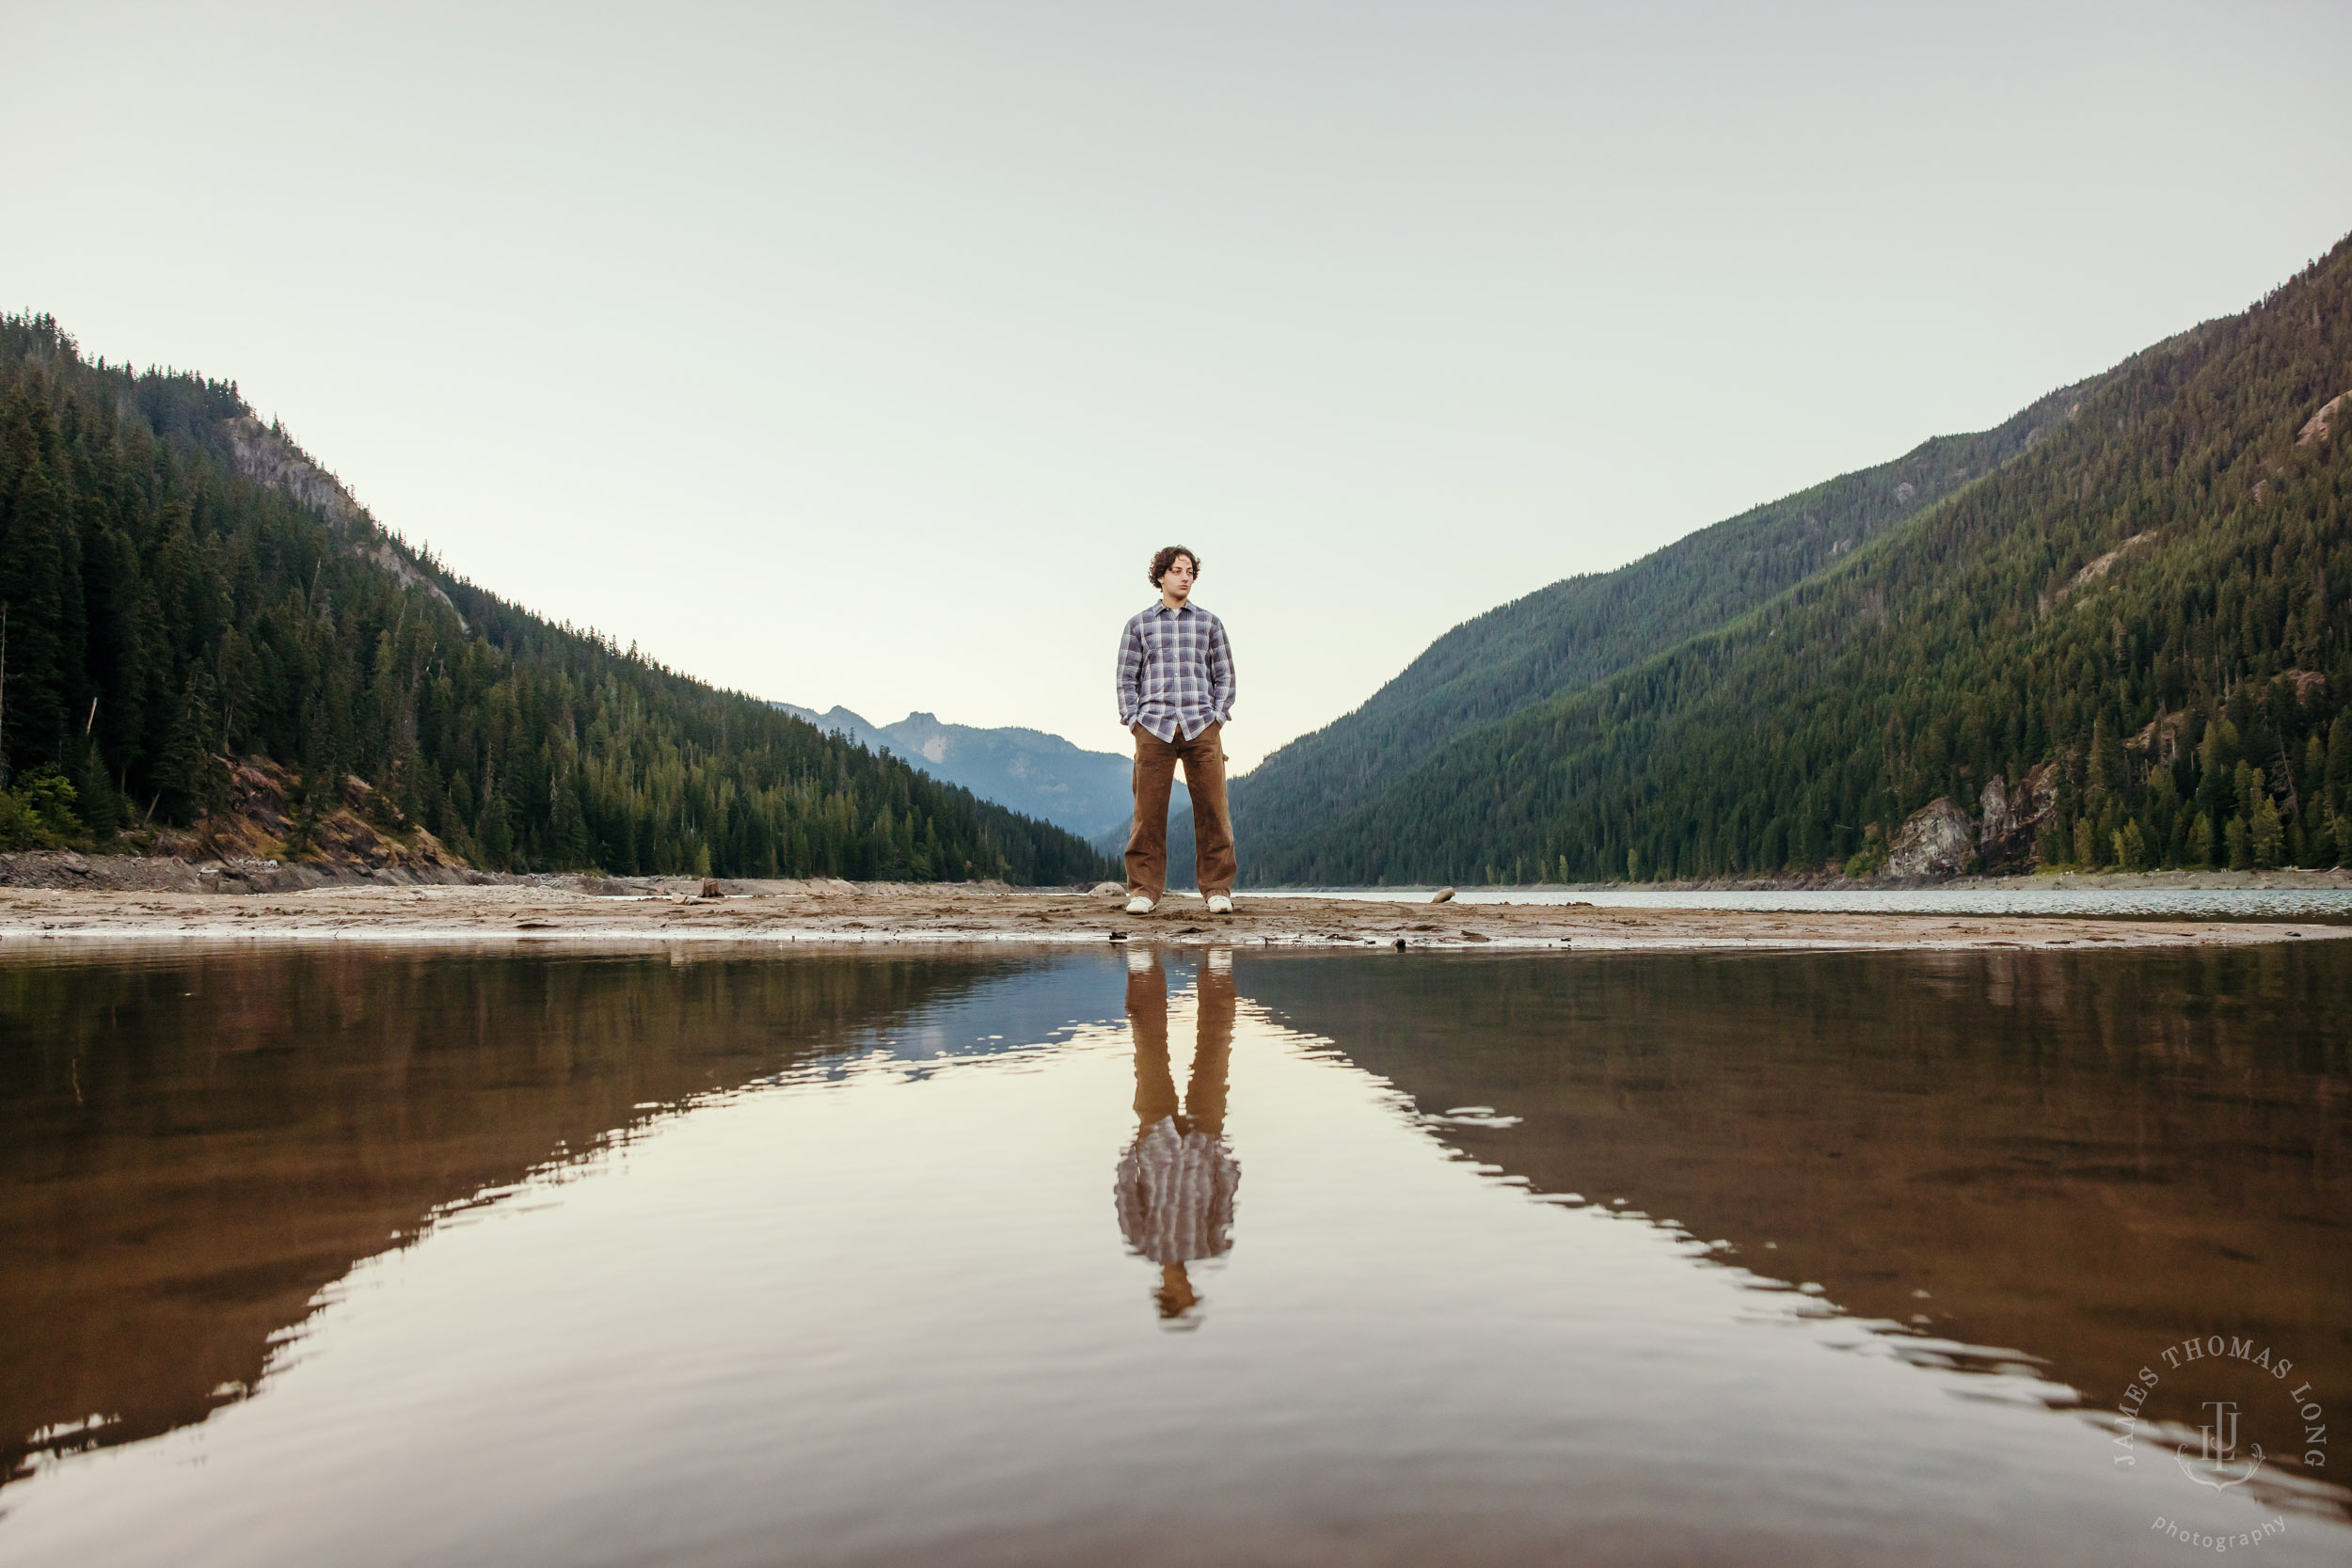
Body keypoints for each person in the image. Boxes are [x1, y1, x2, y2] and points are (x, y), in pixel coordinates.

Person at [1112, 945, 1239, 1321]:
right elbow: (1225, 1198)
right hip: (1205, 1139)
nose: (1185, 1288)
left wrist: (1135, 1148)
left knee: (1147, 1046)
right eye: (1186, 1294)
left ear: (1167, 1291)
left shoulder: (1142, 1245)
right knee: (1216, 1043)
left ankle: (1148, 973)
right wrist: (1221, 1153)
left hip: (1155, 1139)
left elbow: (1125, 1194)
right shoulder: (1213, 1247)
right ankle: (1216, 973)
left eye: (1180, 1294)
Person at [1114, 546, 1237, 915]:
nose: (1186, 577)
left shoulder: (1210, 623)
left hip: (1202, 725)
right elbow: (1125, 679)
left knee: (1213, 810)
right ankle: (1143, 891)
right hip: (1154, 727)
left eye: (1190, 572)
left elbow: (1225, 675)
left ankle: (1217, 890)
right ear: (1161, 576)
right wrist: (1134, 721)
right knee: (1147, 813)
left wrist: (1218, 716)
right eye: (1178, 570)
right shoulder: (1138, 625)